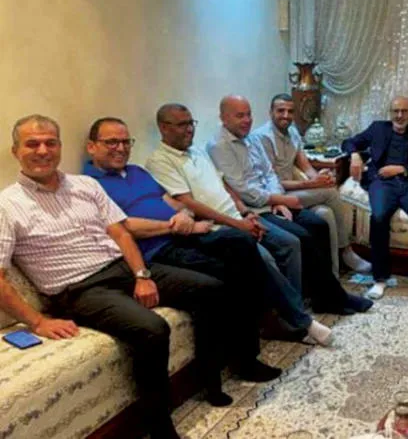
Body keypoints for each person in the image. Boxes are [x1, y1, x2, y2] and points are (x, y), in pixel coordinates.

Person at [0, 115, 277, 439]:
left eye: (50, 142)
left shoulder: (85, 186)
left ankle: (211, 380)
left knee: (211, 289)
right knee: (152, 328)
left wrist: (142, 275)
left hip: (121, 268)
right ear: (16, 151)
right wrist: (37, 322)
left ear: (60, 146)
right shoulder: (7, 205)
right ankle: (160, 428)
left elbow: (120, 233)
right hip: (79, 289)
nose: (43, 150)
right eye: (32, 144)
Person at [83, 117, 332, 346]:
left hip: (187, 233)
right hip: (159, 250)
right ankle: (294, 323)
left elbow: (173, 202)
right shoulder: (90, 185)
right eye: (112, 142)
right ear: (91, 147)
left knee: (242, 242)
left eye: (126, 142)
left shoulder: (137, 171)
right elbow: (124, 226)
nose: (121, 148)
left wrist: (187, 215)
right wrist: (175, 225)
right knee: (241, 265)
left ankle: (286, 321)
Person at [146, 103, 371, 315]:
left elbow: (245, 180)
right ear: (164, 128)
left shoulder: (200, 151)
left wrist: (252, 209)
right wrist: (244, 218)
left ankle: (322, 297)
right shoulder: (173, 158)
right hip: (223, 223)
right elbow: (193, 202)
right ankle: (294, 313)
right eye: (182, 125)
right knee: (293, 241)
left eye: (191, 123)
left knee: (313, 227)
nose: (189, 129)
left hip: (249, 211)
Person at [248, 93, 371, 275]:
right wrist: (313, 184)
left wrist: (319, 178)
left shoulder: (292, 132)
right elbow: (271, 181)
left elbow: (305, 165)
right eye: (280, 111)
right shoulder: (262, 138)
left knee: (325, 213)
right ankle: (347, 251)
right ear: (271, 112)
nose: (286, 115)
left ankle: (333, 272)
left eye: (290, 111)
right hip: (278, 196)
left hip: (296, 191)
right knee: (331, 192)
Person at [342, 96, 408, 299]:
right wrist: (355, 155)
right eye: (395, 111)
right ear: (390, 113)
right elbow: (348, 142)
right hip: (382, 183)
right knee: (379, 217)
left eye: (404, 111)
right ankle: (380, 279)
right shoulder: (378, 128)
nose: (399, 115)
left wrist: (401, 169)